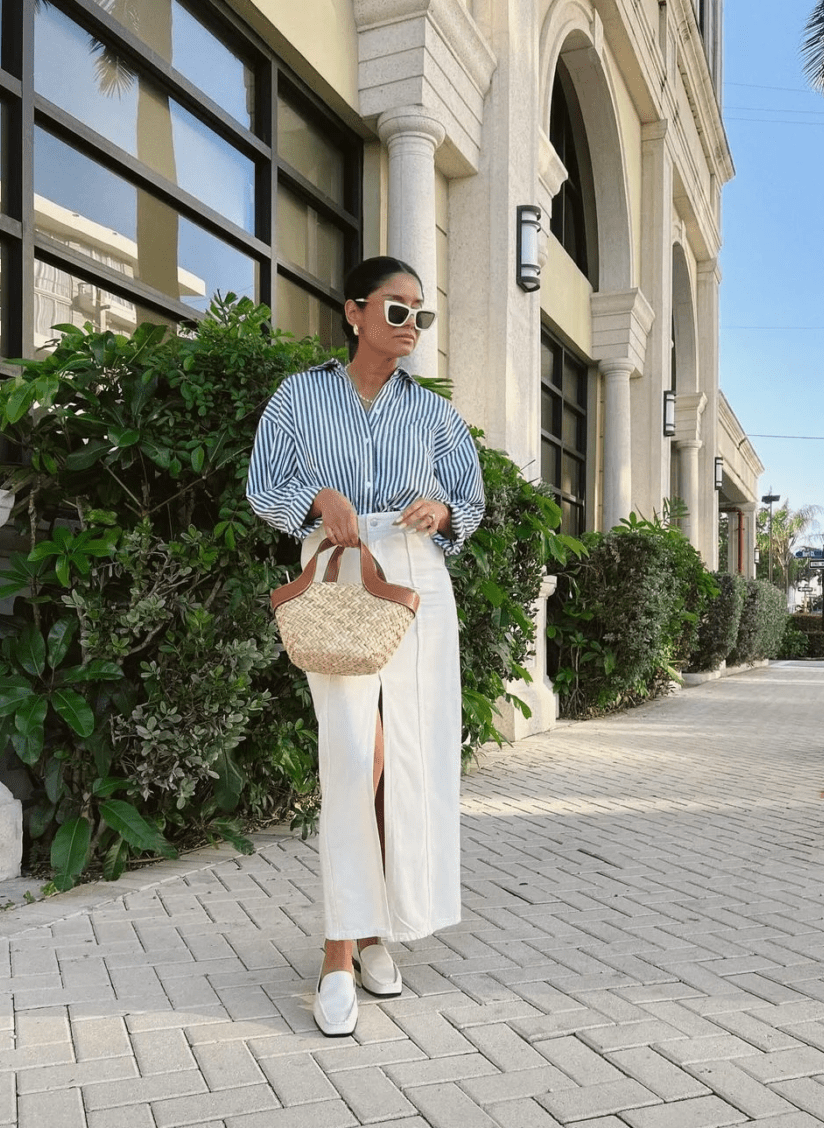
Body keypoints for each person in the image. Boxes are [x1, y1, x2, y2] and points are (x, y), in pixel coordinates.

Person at [246, 256, 485, 1036]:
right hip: (340, 571)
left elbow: (473, 501)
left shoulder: (434, 415)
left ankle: (385, 932)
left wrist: (442, 512)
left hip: (417, 578)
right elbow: (261, 485)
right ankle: (336, 953)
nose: (411, 325)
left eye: (422, 314)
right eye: (396, 310)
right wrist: (314, 498)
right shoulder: (301, 397)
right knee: (353, 755)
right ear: (353, 312)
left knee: (410, 763)